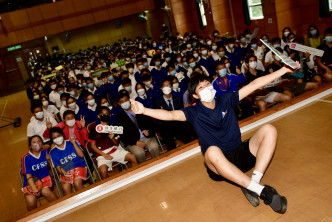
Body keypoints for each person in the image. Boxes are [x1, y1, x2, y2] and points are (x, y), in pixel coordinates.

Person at [130, 62, 301, 214]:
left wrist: (283, 70)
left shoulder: (226, 99)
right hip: (220, 166)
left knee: (269, 129)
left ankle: (252, 184)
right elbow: (170, 115)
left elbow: (255, 84)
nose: (207, 88)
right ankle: (263, 191)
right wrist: (144, 111)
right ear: (195, 96)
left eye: (207, 84)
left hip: (240, 154)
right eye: (201, 88)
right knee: (211, 151)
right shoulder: (193, 112)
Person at [88, 106, 138, 179]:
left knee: (132, 157)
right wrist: (104, 155)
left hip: (114, 150)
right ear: (98, 116)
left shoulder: (114, 128)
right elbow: (92, 146)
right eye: (102, 114)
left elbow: (117, 144)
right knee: (102, 171)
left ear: (110, 115)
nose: (104, 115)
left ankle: (135, 177)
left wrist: (112, 138)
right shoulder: (94, 130)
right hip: (102, 154)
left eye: (107, 114)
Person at [116, 91, 160, 163]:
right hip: (133, 142)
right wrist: (135, 142)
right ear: (119, 104)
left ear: (129, 100)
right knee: (139, 153)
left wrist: (148, 132)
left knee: (154, 147)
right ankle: (144, 169)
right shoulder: (119, 118)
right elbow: (123, 136)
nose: (125, 103)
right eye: (122, 102)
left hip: (147, 137)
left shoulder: (139, 109)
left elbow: (152, 124)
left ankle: (157, 164)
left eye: (126, 100)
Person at [21, 135, 57, 211]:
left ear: (42, 143)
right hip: (31, 183)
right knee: (31, 201)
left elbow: (53, 165)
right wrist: (34, 189)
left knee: (45, 191)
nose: (37, 143)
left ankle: (60, 206)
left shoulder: (45, 152)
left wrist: (50, 160)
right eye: (34, 142)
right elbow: (28, 175)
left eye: (39, 141)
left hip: (46, 180)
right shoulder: (26, 158)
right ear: (30, 146)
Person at [49, 127, 88, 196]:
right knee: (65, 187)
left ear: (62, 135)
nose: (57, 138)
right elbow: (58, 169)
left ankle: (86, 198)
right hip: (66, 172)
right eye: (54, 138)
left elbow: (81, 155)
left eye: (58, 136)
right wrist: (64, 173)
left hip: (79, 167)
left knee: (77, 183)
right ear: (52, 140)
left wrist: (74, 143)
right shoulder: (52, 152)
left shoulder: (71, 142)